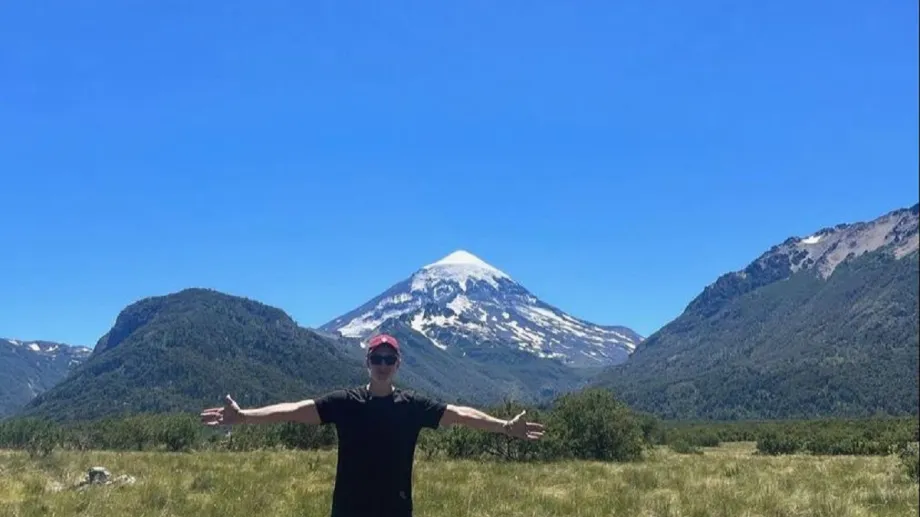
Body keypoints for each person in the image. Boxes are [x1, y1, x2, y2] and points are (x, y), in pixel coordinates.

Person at [199, 332, 545, 517]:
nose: (382, 364)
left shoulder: (412, 406)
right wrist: (244, 417)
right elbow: (293, 410)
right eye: (377, 358)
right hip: (349, 510)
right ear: (367, 362)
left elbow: (460, 415)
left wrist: (504, 426)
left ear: (398, 364)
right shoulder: (345, 402)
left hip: (395, 509)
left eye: (388, 359)